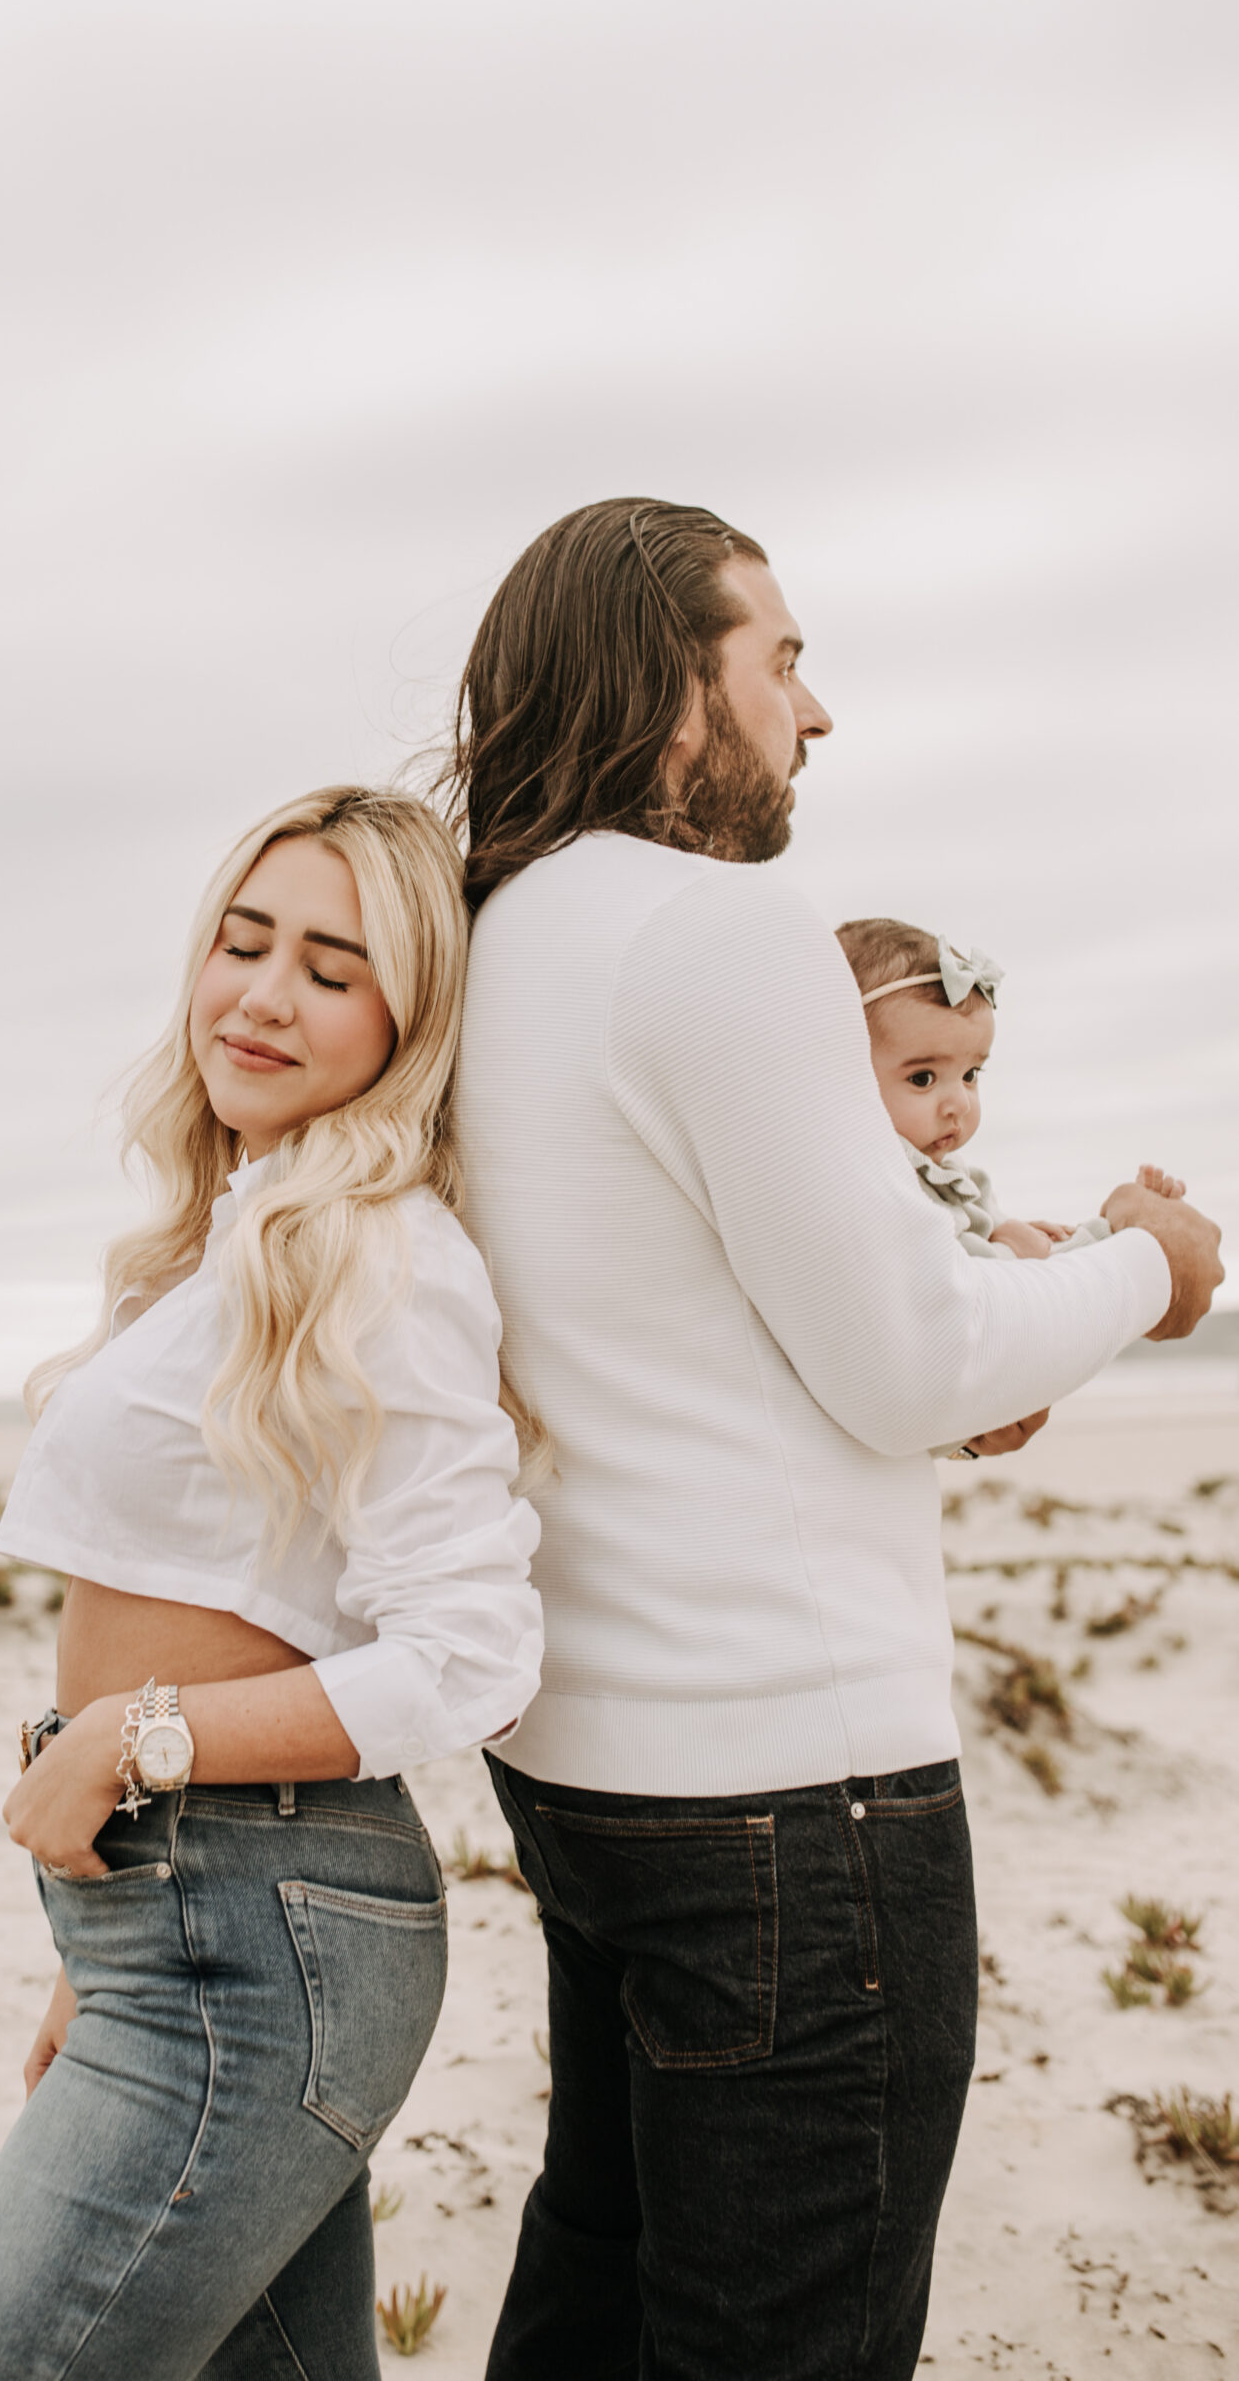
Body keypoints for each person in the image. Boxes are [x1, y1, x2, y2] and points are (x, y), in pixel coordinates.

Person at [444, 498, 1224, 2381]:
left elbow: (682, 1331)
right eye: (778, 659)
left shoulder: (497, 938)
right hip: (793, 1793)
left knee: (600, 2291)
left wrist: (940, 1335)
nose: (818, 710)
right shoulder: (715, 928)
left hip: (588, 1759)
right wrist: (1147, 1267)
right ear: (668, 691)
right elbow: (907, 1362)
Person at [0, 784, 543, 2381]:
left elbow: (467, 1654)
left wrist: (132, 1743)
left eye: (329, 966)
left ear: (409, 1013)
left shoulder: (381, 1251)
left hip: (255, 1942)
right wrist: (90, 1949)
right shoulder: (243, 1237)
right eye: (241, 944)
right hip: (178, 1924)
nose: (259, 995)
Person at [838, 915, 1186, 1264]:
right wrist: (1010, 1251)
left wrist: (1009, 1231)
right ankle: (1127, 1231)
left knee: (1073, 1248)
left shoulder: (953, 1174)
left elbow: (984, 1228)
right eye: (922, 1078)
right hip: (985, 1295)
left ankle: (1124, 1227)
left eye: (970, 1074)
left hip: (1005, 1275)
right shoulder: (881, 1181)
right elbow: (947, 1277)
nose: (959, 1103)